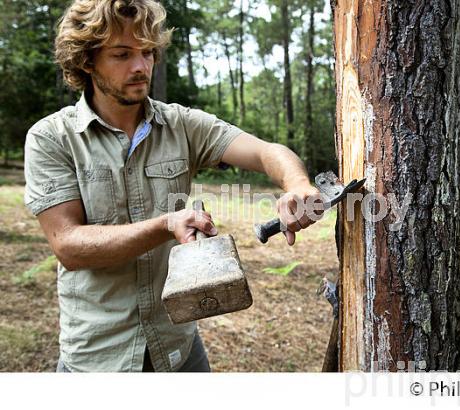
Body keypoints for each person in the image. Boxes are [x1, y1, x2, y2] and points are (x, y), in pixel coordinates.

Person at [23, 0, 322, 372]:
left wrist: (297, 184)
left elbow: (265, 152)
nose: (140, 66)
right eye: (122, 54)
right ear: (86, 60)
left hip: (178, 348)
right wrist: (165, 225)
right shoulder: (52, 137)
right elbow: (68, 245)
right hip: (97, 357)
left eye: (147, 52)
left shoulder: (181, 125)